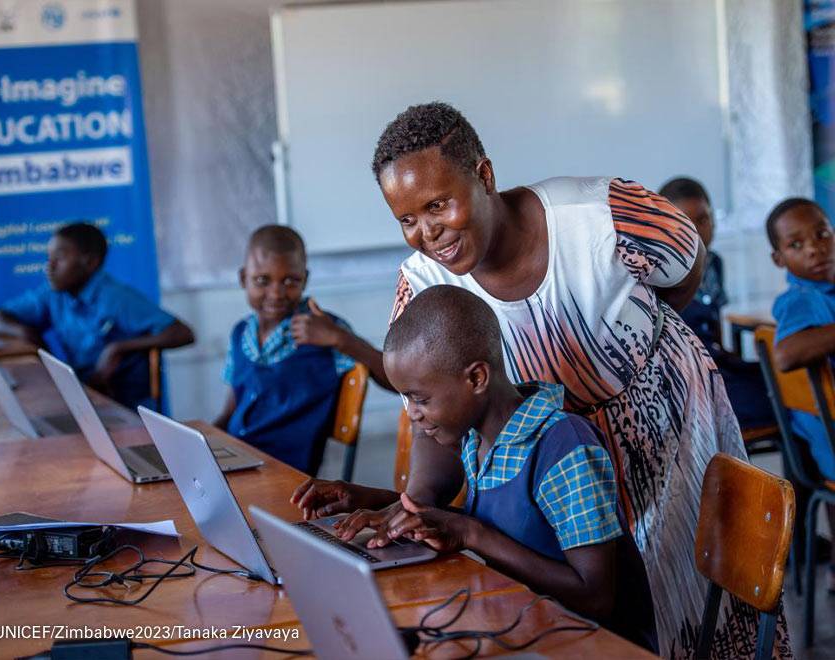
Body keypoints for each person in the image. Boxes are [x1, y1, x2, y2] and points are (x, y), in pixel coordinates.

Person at [291, 103, 789, 658]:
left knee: (698, 614)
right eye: (407, 219)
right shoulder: (424, 283)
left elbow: (685, 269)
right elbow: (434, 413)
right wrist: (412, 508)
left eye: (438, 205)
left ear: (484, 176)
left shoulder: (596, 214)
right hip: (555, 462)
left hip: (667, 431)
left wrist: (633, 352)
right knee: (607, 618)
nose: (428, 233)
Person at [296, 285, 658, 650]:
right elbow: (500, 527)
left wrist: (471, 533)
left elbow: (595, 597)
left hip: (592, 646)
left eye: (420, 399)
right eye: (407, 398)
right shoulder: (476, 438)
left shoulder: (564, 447)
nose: (411, 413)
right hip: (520, 623)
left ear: (476, 379)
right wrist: (371, 499)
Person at [212, 225, 390, 474]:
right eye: (262, 280)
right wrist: (203, 443)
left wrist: (340, 338)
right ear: (243, 278)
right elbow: (231, 411)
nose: (276, 293)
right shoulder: (240, 332)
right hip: (235, 462)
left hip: (285, 474)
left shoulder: (326, 329)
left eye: (290, 281)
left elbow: (396, 382)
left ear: (305, 279)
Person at [0, 222, 194, 410]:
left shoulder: (115, 297)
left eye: (59, 258)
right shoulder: (54, 293)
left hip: (123, 406)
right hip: (82, 396)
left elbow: (182, 333)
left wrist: (118, 348)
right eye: (48, 258)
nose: (49, 267)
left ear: (90, 262)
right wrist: (25, 332)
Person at [659, 177, 775, 429]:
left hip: (715, 360)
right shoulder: (660, 274)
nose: (698, 230)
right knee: (775, 400)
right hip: (687, 374)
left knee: (776, 379)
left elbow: (716, 321)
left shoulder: (714, 263)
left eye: (703, 219)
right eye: (685, 222)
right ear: (665, 225)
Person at [768, 197, 835, 592]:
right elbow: (785, 352)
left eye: (822, 234)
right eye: (796, 245)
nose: (814, 247)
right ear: (779, 259)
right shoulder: (799, 299)